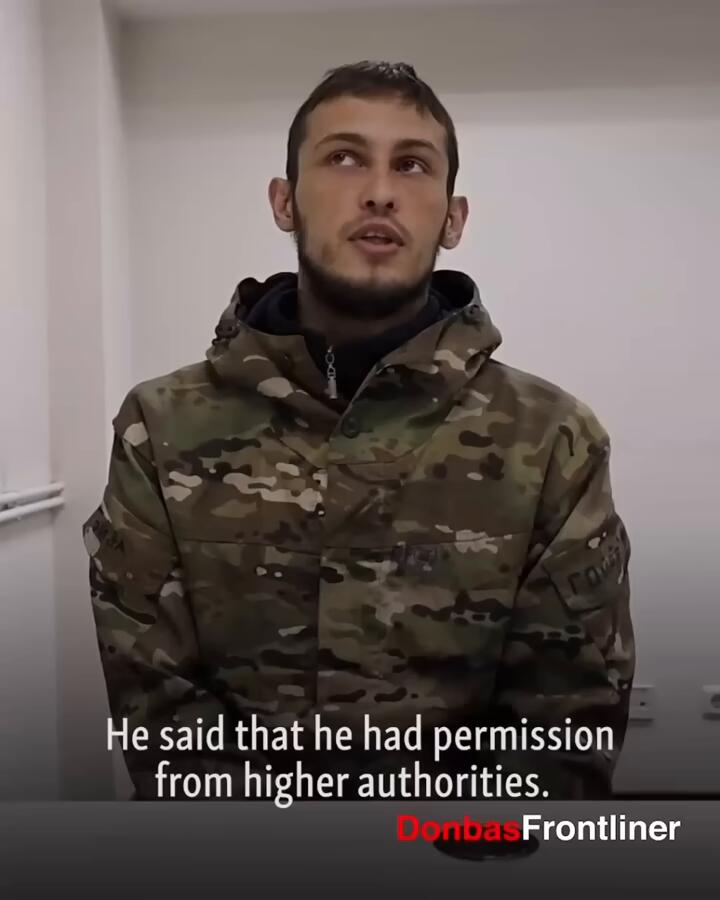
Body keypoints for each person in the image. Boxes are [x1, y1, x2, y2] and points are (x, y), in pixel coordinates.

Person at [83, 60, 634, 801]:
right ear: (284, 201)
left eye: (412, 164)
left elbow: (567, 721)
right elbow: (156, 707)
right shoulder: (161, 426)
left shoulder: (551, 438)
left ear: (453, 218)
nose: (379, 191)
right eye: (344, 158)